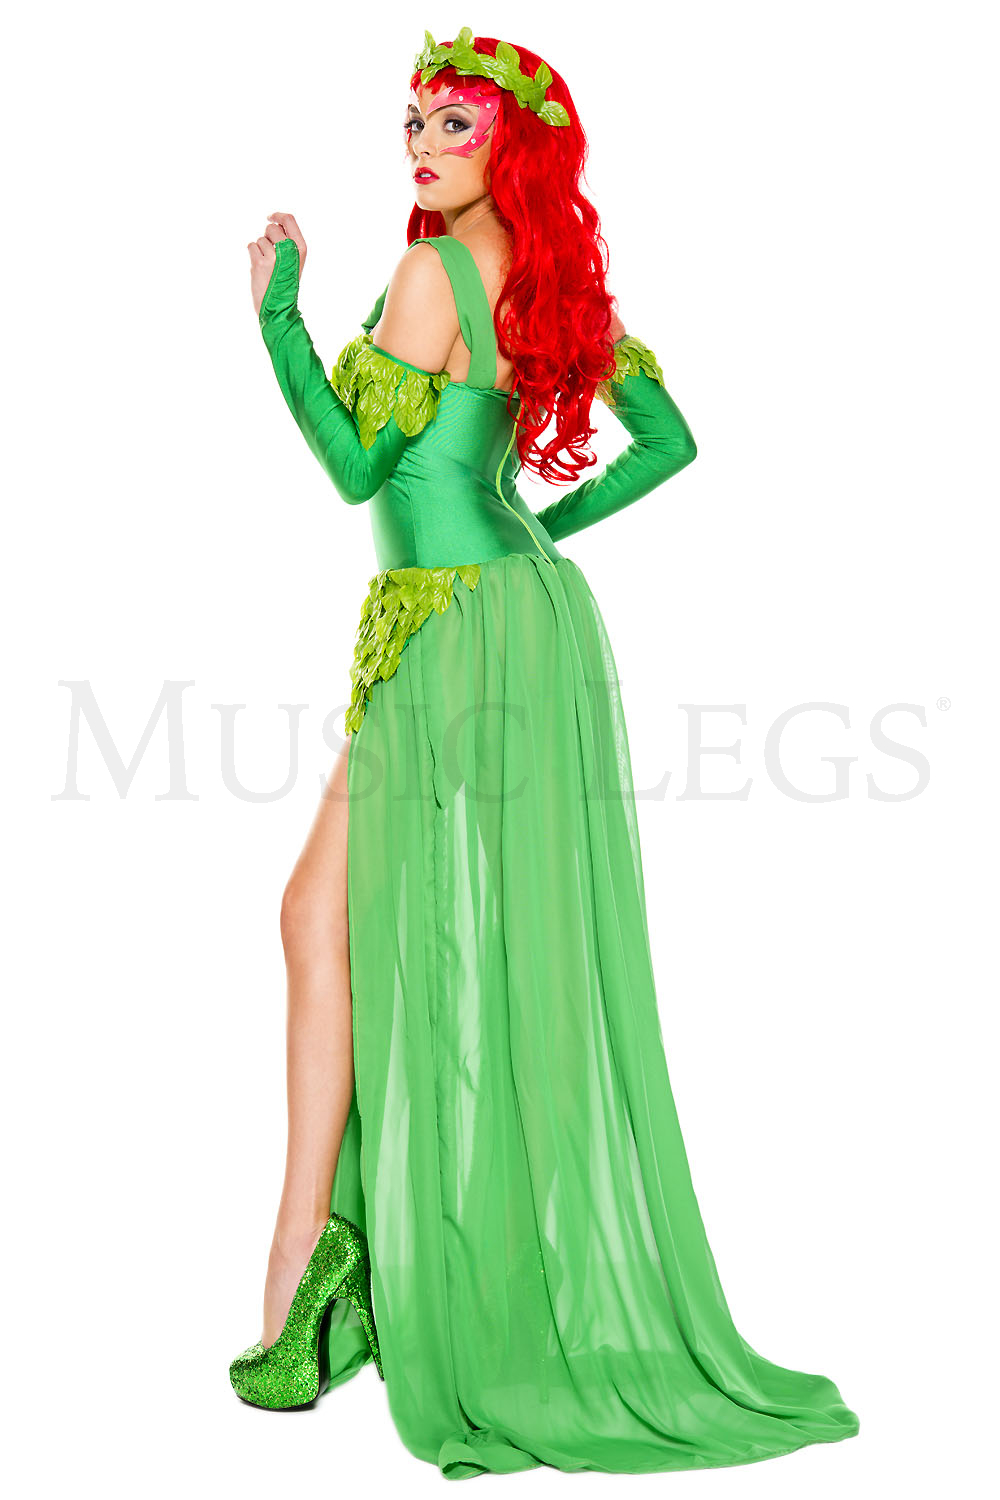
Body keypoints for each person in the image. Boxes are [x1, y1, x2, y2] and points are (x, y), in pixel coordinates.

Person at [230, 26, 861, 1480]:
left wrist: (275, 317)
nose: (421, 143)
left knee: (392, 930)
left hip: (453, 626)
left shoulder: (430, 274)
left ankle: (321, 1269)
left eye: (454, 124)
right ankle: (322, 1263)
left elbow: (355, 467)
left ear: (510, 143)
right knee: (345, 918)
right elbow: (669, 441)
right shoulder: (548, 275)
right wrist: (535, 540)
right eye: (412, 119)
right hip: (517, 619)